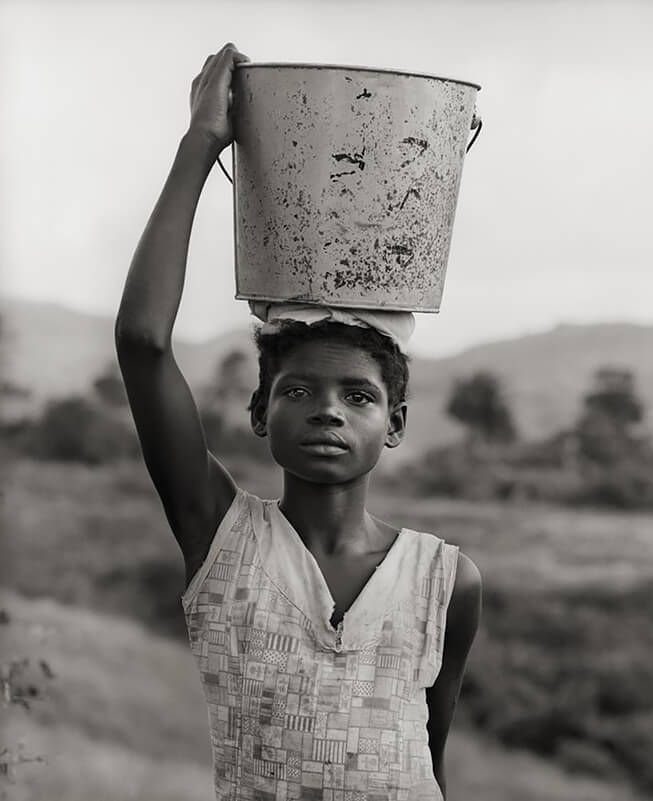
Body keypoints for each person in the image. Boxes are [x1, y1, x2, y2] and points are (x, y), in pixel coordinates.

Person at [115, 42, 482, 801]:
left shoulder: (446, 580)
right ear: (258, 410)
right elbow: (144, 343)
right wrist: (201, 142)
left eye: (359, 396)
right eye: (297, 391)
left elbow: (431, 763)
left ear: (397, 422)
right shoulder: (219, 535)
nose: (327, 410)